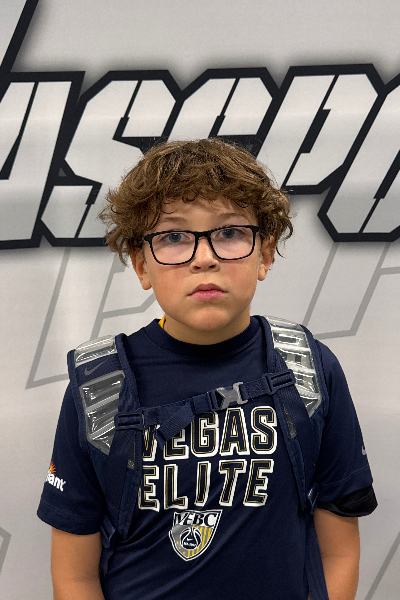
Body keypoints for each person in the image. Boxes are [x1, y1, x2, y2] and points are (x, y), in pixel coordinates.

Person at [37, 138, 377, 600]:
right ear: (140, 264)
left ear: (265, 253)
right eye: (174, 236)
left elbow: (339, 552)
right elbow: (74, 575)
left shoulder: (310, 369)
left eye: (230, 232)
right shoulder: (98, 385)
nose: (204, 257)